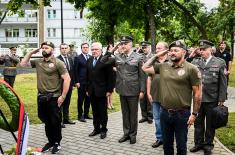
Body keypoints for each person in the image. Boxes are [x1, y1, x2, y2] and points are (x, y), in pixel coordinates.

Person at [142, 40, 202, 155]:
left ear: (184, 52)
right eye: (170, 51)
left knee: (181, 145)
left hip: (182, 114)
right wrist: (156, 55)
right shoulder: (163, 66)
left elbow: (198, 94)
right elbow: (145, 68)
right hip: (164, 112)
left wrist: (194, 114)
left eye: (176, 50)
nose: (172, 53)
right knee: (167, 146)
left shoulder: (191, 69)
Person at [20, 41, 71, 154]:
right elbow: (23, 64)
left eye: (46, 48)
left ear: (52, 50)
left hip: (54, 97)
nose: (44, 49)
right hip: (41, 97)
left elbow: (67, 79)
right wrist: (31, 52)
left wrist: (63, 96)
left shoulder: (58, 63)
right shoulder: (38, 62)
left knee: (55, 121)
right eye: (43, 48)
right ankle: (50, 141)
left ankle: (57, 143)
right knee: (46, 120)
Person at [101, 35, 146, 144]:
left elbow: (142, 75)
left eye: (125, 43)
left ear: (131, 44)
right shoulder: (117, 57)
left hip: (133, 90)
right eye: (121, 43)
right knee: (125, 114)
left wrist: (142, 90)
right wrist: (112, 50)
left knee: (133, 114)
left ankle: (132, 135)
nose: (123, 45)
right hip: (122, 89)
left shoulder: (139, 57)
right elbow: (103, 61)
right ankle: (126, 133)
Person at [190, 40, 227, 155]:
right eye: (200, 50)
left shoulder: (220, 62)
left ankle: (208, 145)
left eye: (204, 49)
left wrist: (221, 99)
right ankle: (198, 143)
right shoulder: (195, 62)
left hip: (212, 99)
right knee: (198, 123)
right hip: (198, 99)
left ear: (210, 49)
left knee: (210, 124)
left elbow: (223, 82)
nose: (201, 52)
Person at [87, 42, 114, 139]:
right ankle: (96, 128)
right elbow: (88, 76)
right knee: (95, 111)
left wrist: (109, 90)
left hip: (102, 90)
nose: (94, 51)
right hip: (92, 91)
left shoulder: (106, 60)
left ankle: (104, 129)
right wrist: (87, 89)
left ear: (101, 50)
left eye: (96, 49)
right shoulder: (89, 60)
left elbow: (110, 77)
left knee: (103, 112)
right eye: (92, 49)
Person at [146, 41, 168, 148]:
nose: (157, 50)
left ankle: (168, 138)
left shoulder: (171, 61)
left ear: (166, 49)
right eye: (157, 48)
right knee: (157, 119)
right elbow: (149, 78)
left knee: (167, 119)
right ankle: (160, 138)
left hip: (168, 97)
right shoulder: (153, 62)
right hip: (155, 95)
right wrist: (148, 92)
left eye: (159, 48)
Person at [57, 43, 75, 127]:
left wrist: (73, 84)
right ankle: (59, 121)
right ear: (60, 50)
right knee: (60, 102)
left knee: (67, 102)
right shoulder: (57, 59)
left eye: (65, 48)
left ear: (68, 49)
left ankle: (66, 119)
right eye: (62, 48)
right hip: (60, 85)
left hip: (69, 85)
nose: (64, 50)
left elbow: (72, 72)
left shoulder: (70, 59)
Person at [74, 42, 92, 122]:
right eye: (84, 47)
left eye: (87, 47)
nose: (85, 48)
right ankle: (80, 115)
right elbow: (75, 70)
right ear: (81, 48)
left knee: (88, 98)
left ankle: (86, 114)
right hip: (81, 82)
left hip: (89, 83)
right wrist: (76, 81)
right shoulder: (78, 58)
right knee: (81, 99)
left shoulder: (91, 57)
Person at [139, 41, 153, 124]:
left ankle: (150, 116)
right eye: (143, 48)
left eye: (145, 47)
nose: (144, 49)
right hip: (141, 80)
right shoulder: (140, 57)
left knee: (149, 99)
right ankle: (144, 116)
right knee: (142, 99)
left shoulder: (153, 56)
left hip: (150, 80)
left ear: (149, 47)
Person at [106, 44, 116, 110]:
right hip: (107, 74)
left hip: (113, 74)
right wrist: (112, 68)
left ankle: (111, 103)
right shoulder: (106, 55)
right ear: (108, 48)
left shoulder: (113, 55)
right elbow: (106, 64)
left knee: (112, 90)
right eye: (110, 47)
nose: (112, 48)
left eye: (112, 47)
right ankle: (107, 104)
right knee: (108, 90)